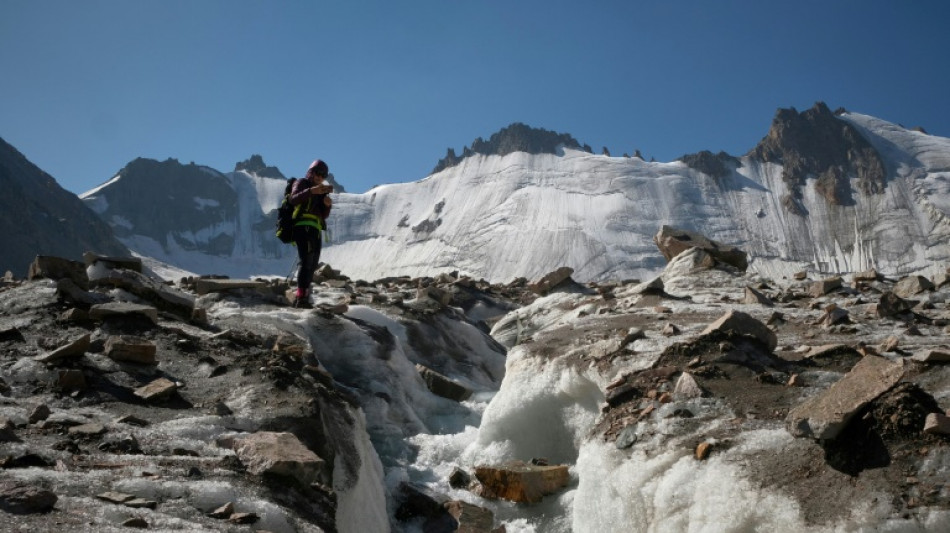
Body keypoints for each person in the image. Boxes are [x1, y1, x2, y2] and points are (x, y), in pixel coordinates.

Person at [289, 159, 333, 308]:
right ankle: (301, 298)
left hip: (315, 228)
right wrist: (311, 191)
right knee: (306, 261)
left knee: (312, 263)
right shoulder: (302, 182)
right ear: (311, 172)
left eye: (323, 175)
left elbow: (323, 215)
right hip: (302, 227)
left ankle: (304, 297)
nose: (320, 177)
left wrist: (327, 205)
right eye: (318, 173)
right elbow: (293, 199)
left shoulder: (321, 190)